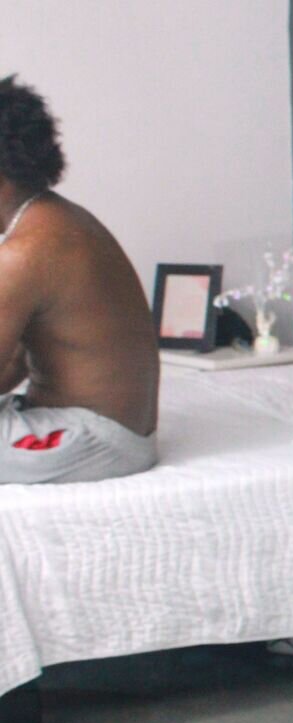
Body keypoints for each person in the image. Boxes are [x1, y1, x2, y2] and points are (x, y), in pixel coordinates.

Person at [0, 75, 159, 484]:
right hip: (103, 431)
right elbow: (15, 363)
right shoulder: (61, 219)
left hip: (91, 439)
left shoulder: (24, 252)